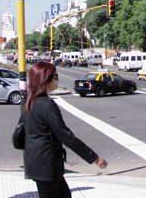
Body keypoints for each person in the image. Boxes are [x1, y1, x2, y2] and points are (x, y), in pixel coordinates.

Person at [21, 61, 107, 197]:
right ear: (46, 80)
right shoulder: (46, 104)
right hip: (46, 165)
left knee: (65, 195)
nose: (58, 79)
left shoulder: (29, 101)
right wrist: (94, 158)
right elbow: (65, 135)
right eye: (55, 76)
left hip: (36, 162)